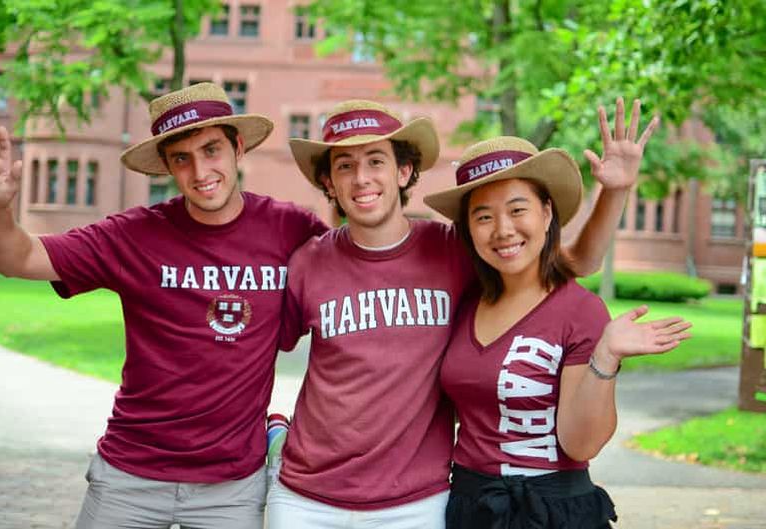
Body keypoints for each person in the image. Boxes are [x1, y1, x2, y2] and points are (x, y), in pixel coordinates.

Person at [267, 98, 652, 529]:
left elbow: (572, 261)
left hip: (416, 501)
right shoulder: (309, 263)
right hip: (308, 497)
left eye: (376, 160)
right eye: (344, 166)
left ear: (404, 171)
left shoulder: (453, 250)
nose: (361, 179)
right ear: (328, 182)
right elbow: (251, 352)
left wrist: (615, 191)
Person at [0, 82, 327, 529]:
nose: (200, 171)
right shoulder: (135, 235)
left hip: (231, 487)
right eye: (182, 158)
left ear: (237, 148)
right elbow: (15, 258)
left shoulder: (289, 228)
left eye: (212, 150)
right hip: (129, 477)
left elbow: (353, 271)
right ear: (167, 168)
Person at [423, 113, 691, 527]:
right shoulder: (464, 300)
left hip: (553, 513)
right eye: (483, 216)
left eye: (518, 209)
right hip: (470, 507)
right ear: (469, 231)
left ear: (547, 214)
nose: (503, 229)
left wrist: (606, 357)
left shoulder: (579, 311)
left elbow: (580, 443)